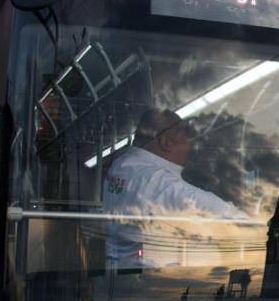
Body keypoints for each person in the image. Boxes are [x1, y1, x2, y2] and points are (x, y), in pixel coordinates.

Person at [103, 109, 250, 268]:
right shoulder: (154, 182)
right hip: (154, 276)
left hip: (125, 270)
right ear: (166, 143)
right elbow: (214, 209)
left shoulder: (123, 164)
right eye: (184, 133)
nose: (190, 142)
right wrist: (254, 225)